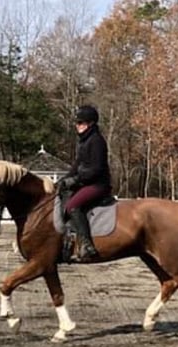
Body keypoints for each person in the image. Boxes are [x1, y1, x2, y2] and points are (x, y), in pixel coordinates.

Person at [56, 105, 112, 261]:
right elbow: (76, 166)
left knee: (73, 206)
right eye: (77, 123)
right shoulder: (84, 141)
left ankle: (87, 245)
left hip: (98, 184)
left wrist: (75, 180)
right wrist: (63, 181)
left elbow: (96, 169)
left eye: (81, 123)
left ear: (91, 124)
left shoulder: (96, 141)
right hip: (86, 182)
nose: (77, 126)